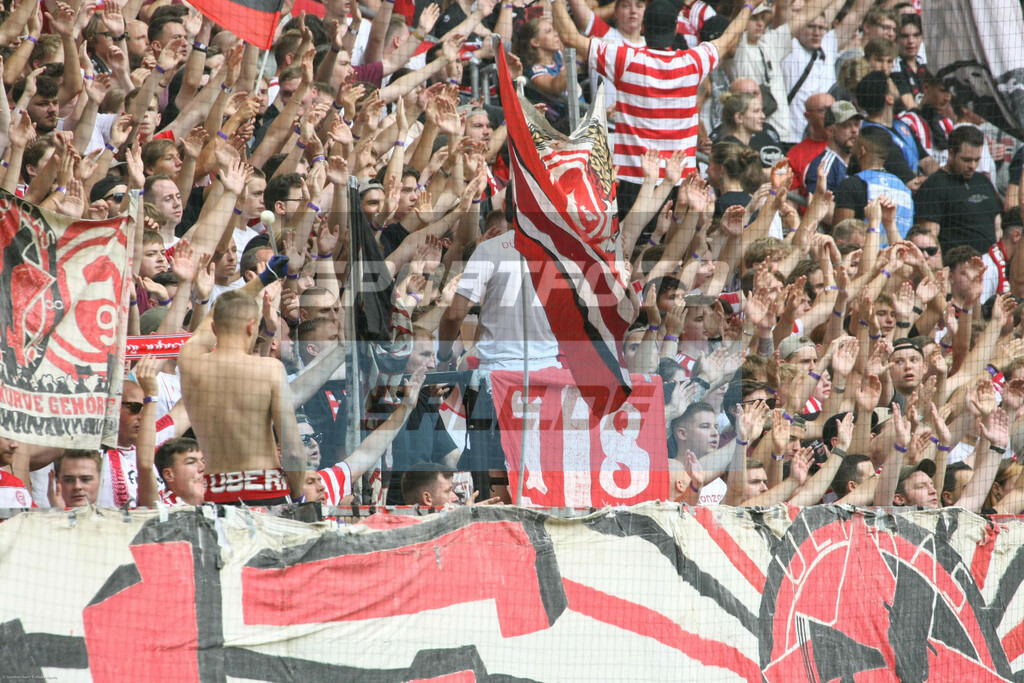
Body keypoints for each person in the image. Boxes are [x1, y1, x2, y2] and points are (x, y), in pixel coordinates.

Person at [552, 0, 759, 214]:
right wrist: (748, 8)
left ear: (643, 27)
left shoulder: (624, 59)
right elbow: (728, 37)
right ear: (676, 29)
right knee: (672, 236)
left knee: (630, 235)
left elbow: (569, 37)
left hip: (633, 182)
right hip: (680, 183)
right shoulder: (693, 62)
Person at [179, 283, 307, 505]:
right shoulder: (270, 370)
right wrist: (297, 495)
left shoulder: (191, 366)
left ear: (214, 329)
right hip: (266, 494)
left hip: (215, 497)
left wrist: (261, 280)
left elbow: (202, 331)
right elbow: (293, 451)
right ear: (251, 326)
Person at [915, 126, 1002, 254]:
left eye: (977, 160)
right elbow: (928, 241)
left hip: (991, 262)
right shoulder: (933, 186)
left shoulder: (983, 181)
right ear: (951, 153)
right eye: (966, 160)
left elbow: (998, 229)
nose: (972, 166)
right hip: (955, 263)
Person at [803, 100, 863, 197]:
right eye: (846, 125)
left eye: (856, 124)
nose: (854, 130)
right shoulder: (823, 165)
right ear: (829, 131)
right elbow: (816, 204)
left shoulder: (861, 160)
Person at [153, 437, 206, 506]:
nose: (202, 468)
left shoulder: (215, 501)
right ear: (168, 475)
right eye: (191, 462)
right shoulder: (161, 506)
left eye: (203, 461)